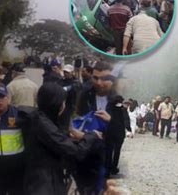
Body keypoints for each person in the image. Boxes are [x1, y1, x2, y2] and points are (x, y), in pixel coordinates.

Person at [22, 83, 100, 194]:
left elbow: (58, 141)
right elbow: (73, 151)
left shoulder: (40, 118)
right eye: (62, 102)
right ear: (55, 104)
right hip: (44, 185)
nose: (64, 105)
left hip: (41, 180)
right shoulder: (43, 124)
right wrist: (92, 135)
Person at [75, 61, 114, 193]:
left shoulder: (117, 98)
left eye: (104, 79)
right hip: (87, 148)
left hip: (107, 150)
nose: (99, 82)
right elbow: (76, 118)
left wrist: (111, 120)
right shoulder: (85, 93)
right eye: (96, 78)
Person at [104, 95, 131, 176]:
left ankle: (108, 169)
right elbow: (126, 119)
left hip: (110, 132)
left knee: (109, 151)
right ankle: (113, 168)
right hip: (118, 133)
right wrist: (128, 129)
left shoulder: (108, 108)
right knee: (116, 151)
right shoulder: (122, 108)